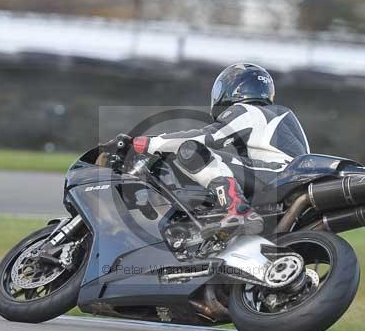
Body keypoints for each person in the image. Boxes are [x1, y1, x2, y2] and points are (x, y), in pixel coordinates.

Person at [130, 63, 310, 236]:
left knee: (192, 150)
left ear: (234, 87)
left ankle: (238, 210)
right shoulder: (279, 113)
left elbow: (208, 137)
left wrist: (148, 143)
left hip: (278, 174)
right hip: (289, 176)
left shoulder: (247, 110)